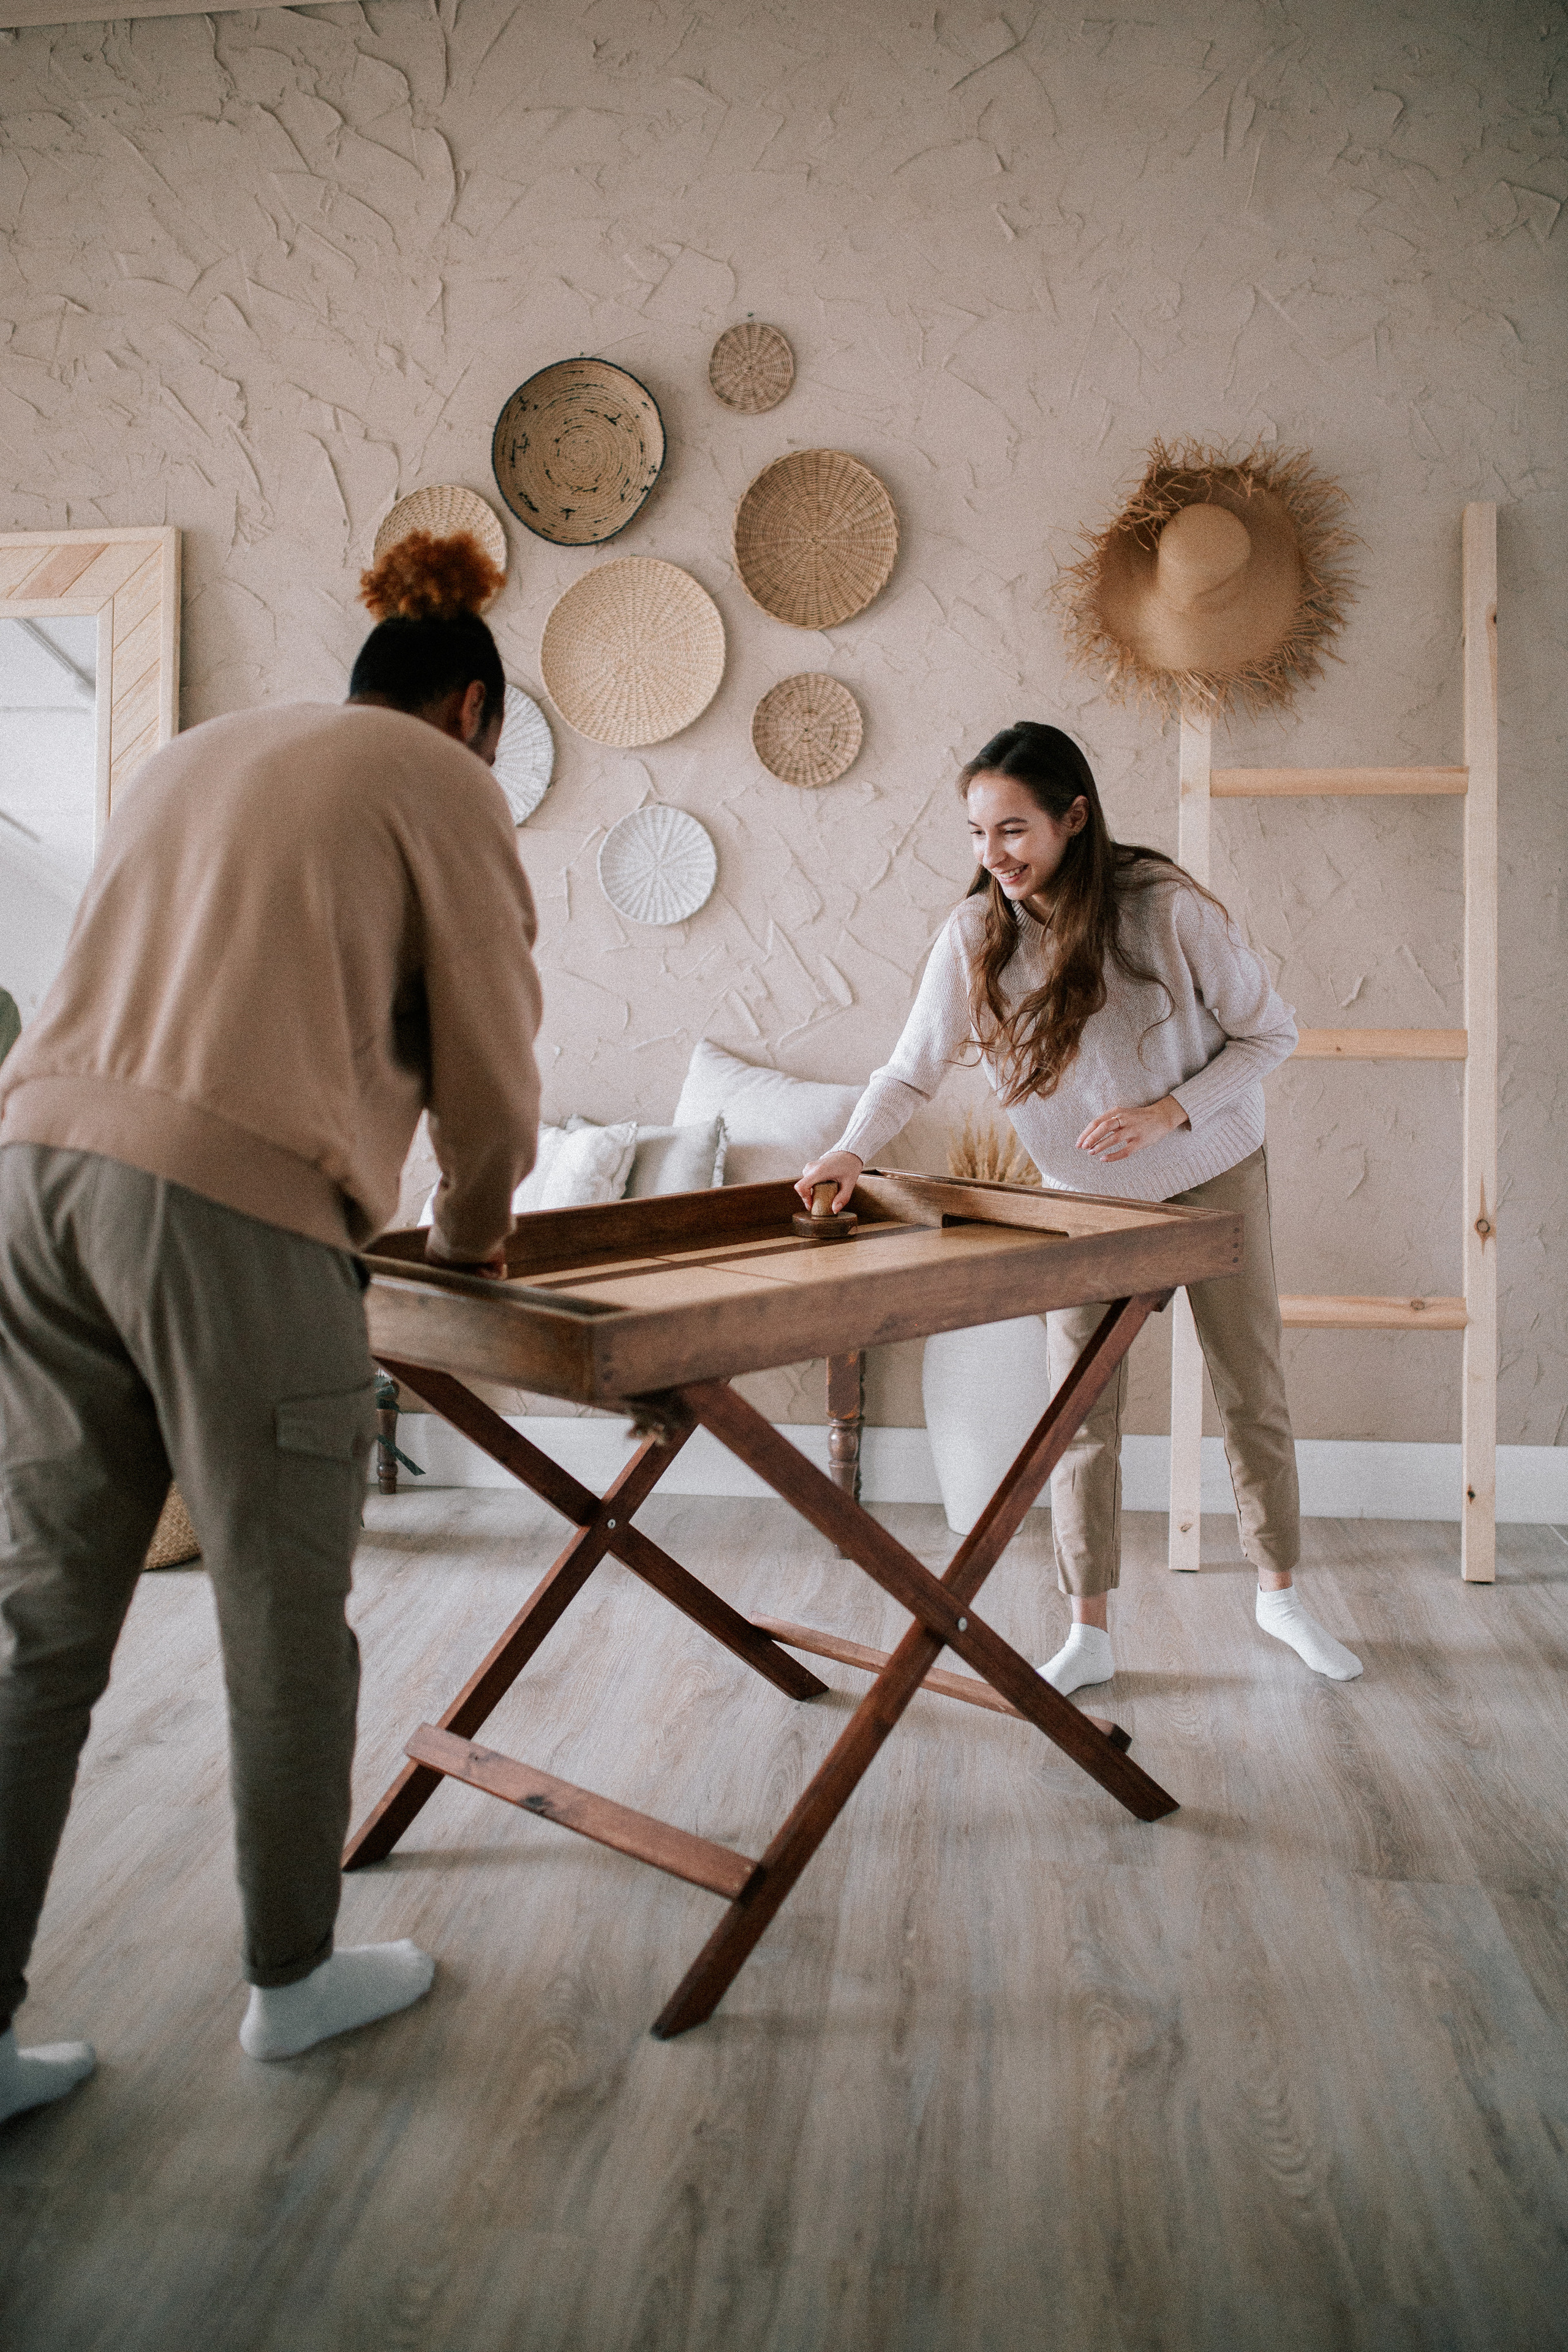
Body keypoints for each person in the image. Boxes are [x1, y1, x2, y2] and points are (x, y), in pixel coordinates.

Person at [0, 532, 541, 2123]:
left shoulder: (193, 756)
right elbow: (494, 1069)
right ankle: (295, 1984)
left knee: (40, 1630)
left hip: (30, 1178)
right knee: (281, 1615)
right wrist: (474, 1242)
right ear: (472, 716)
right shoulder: (446, 785)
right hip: (226, 1211)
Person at [798, 720, 1362, 1699]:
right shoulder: (976, 935)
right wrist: (851, 1147)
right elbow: (911, 1068)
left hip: (1213, 1169)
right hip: (1087, 1199)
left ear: (1074, 817)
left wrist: (1170, 1111)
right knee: (1080, 1415)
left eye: (1013, 830)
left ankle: (1279, 1595)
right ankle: (1089, 1628)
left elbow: (1273, 1032)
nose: (995, 856)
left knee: (1250, 1390)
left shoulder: (1164, 908)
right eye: (978, 835)